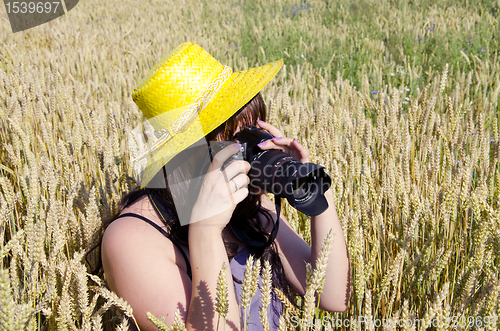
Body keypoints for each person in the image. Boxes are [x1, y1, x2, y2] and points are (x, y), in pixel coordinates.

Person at [99, 42, 351, 331]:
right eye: (239, 137)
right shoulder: (132, 238)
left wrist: (313, 186)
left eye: (256, 130)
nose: (255, 147)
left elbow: (332, 297)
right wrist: (205, 232)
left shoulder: (251, 207)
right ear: (190, 150)